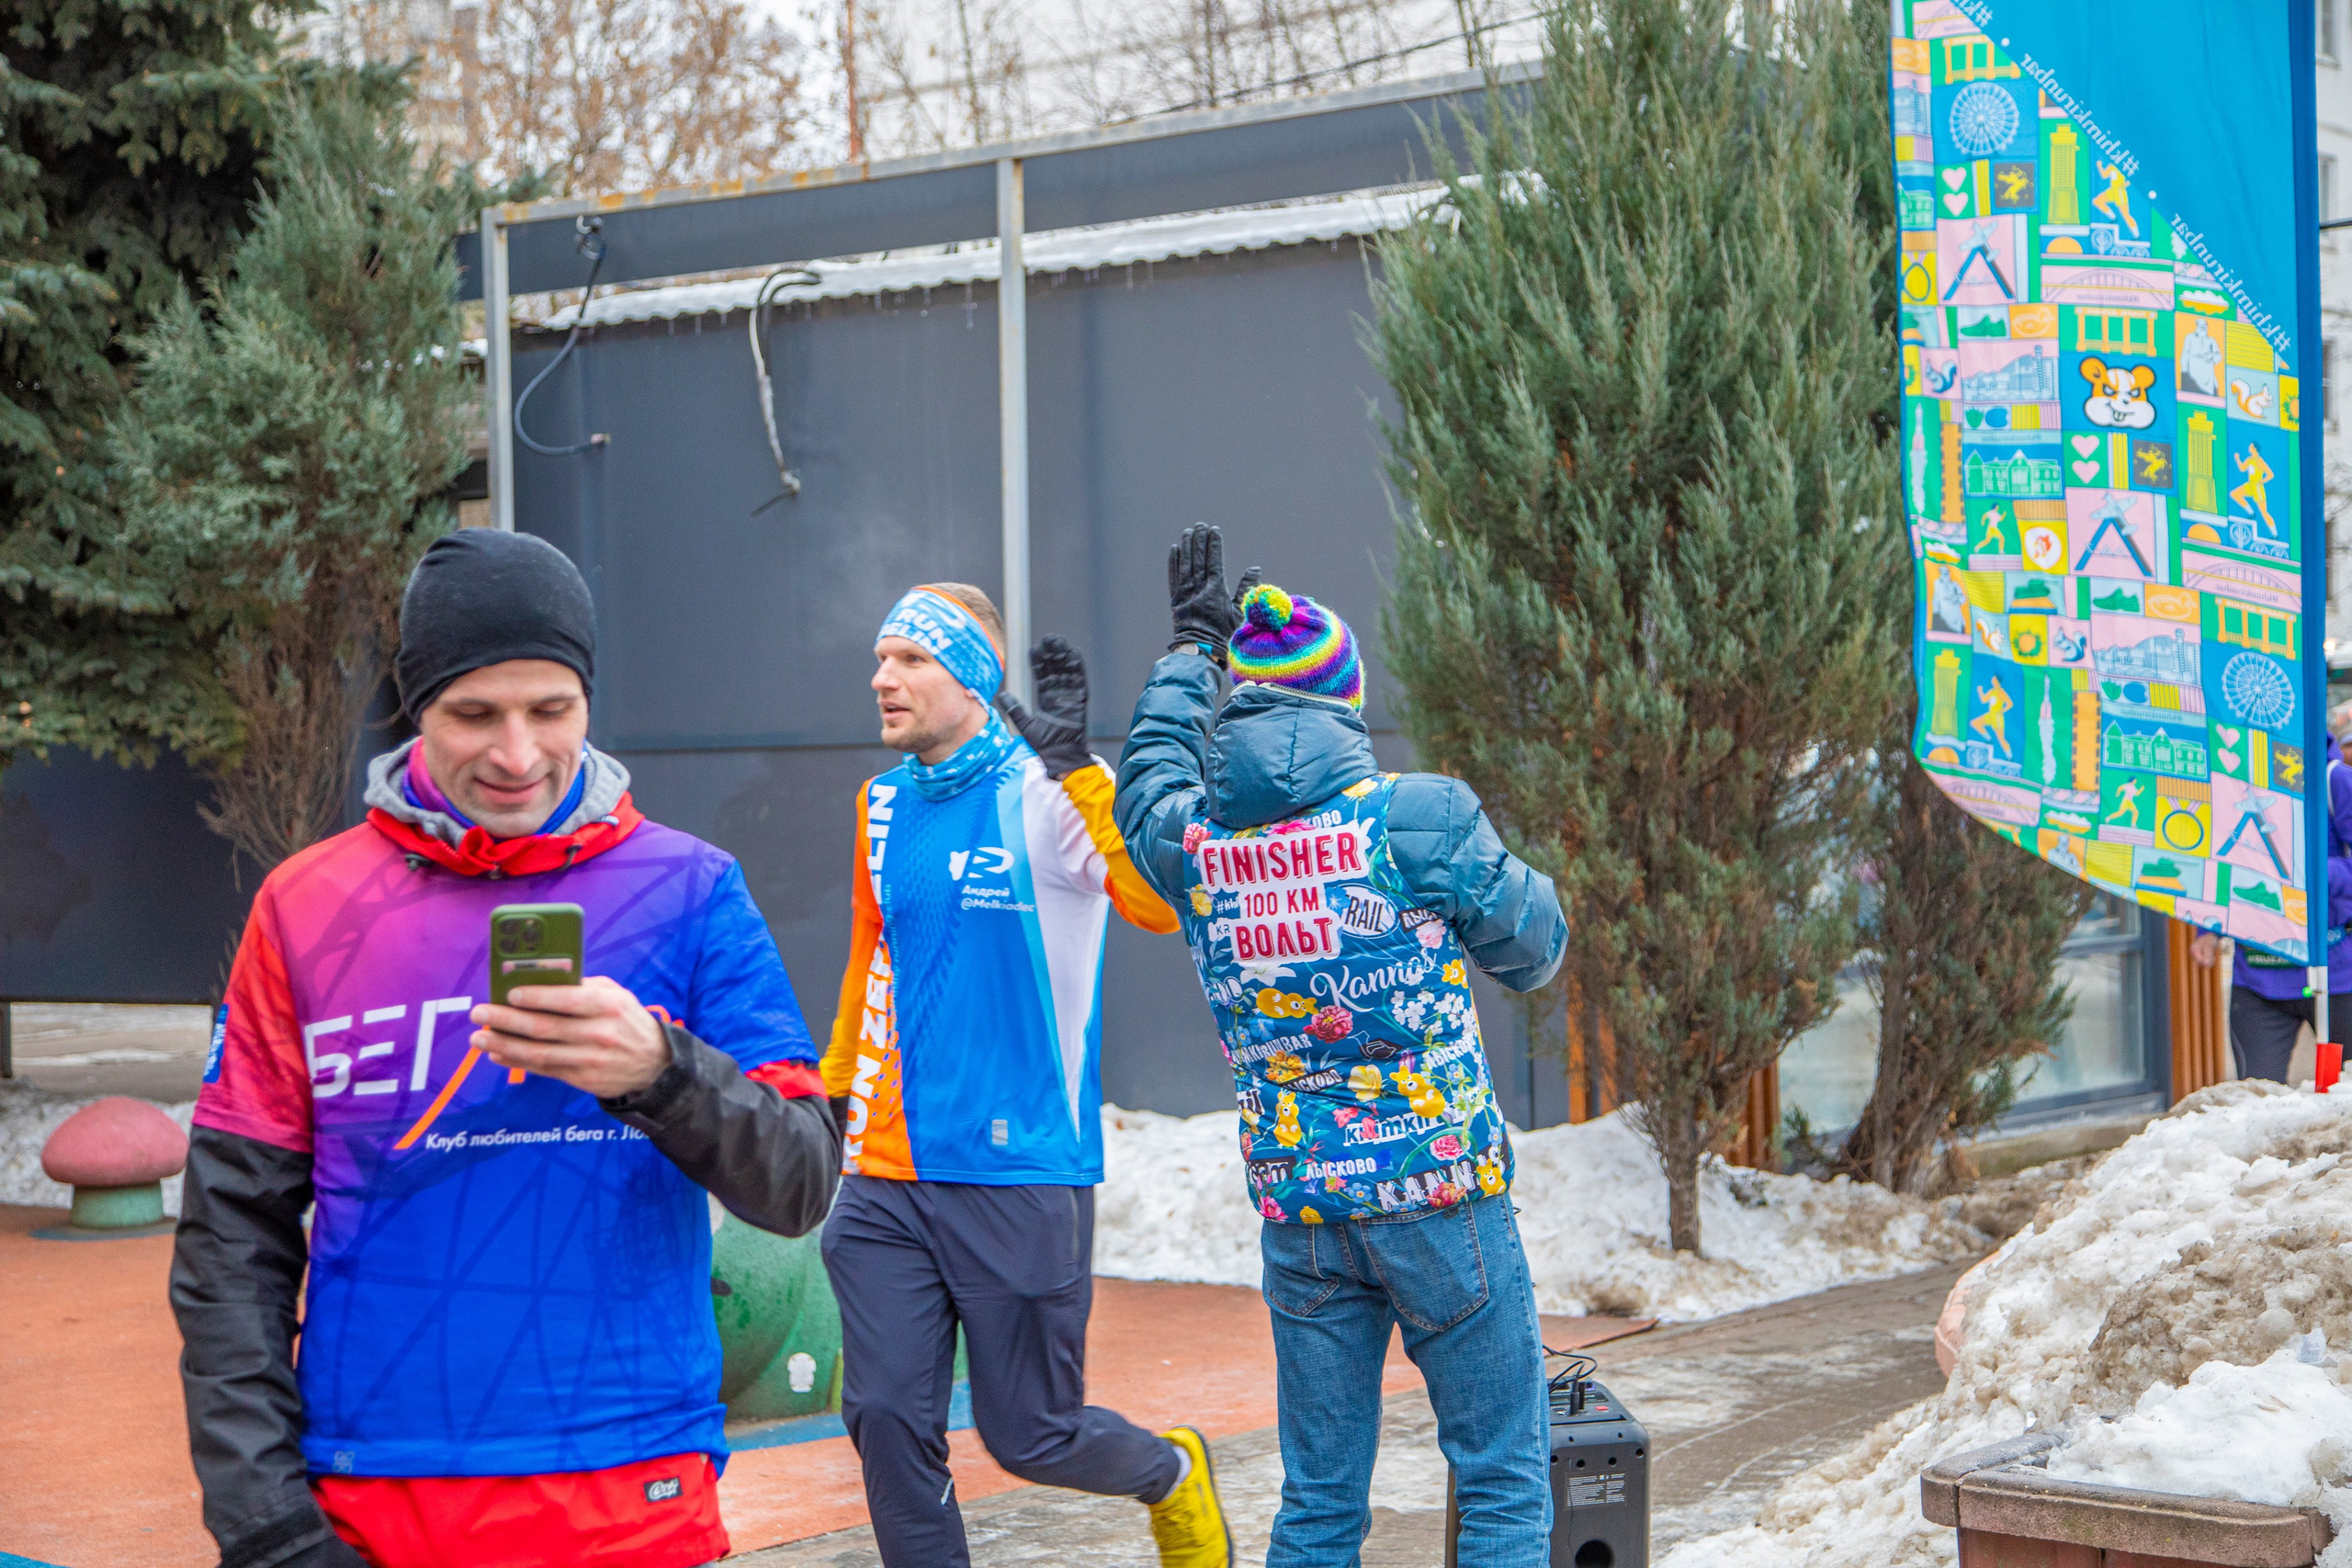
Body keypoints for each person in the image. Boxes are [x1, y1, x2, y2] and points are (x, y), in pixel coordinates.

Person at [172, 530, 839, 1568]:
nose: (517, 755)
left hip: (634, 1492)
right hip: (375, 1497)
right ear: (414, 708)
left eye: (551, 711)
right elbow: (230, 1241)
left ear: (589, 701)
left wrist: (662, 1075)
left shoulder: (692, 891)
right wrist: (265, 1526)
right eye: (474, 714)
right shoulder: (304, 907)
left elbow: (800, 1182)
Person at [1114, 526, 1569, 1567]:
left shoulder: (1198, 846)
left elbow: (1145, 782)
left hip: (1305, 1216)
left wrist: (1190, 652)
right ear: (1345, 710)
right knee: (1501, 1478)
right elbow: (1536, 950)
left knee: (1317, 1503)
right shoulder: (1419, 819)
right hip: (1439, 1194)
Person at [819, 583, 1232, 1567]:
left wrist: (1082, 772)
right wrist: (827, 1093)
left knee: (1032, 1434)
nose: (883, 678)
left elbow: (1155, 902)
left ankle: (1170, 1473)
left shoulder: (1048, 791)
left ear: (972, 677)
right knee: (883, 1415)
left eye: (911, 659)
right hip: (882, 1176)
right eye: (880, 658)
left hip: (1018, 1170)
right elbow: (868, 956)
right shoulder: (880, 803)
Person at [2220, 730, 2352, 1082]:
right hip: (2258, 977)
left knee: (2341, 1100)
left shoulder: (2333, 780)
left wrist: (2313, 873)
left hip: (2336, 975)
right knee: (2255, 1102)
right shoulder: (2230, 777)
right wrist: (2207, 929)